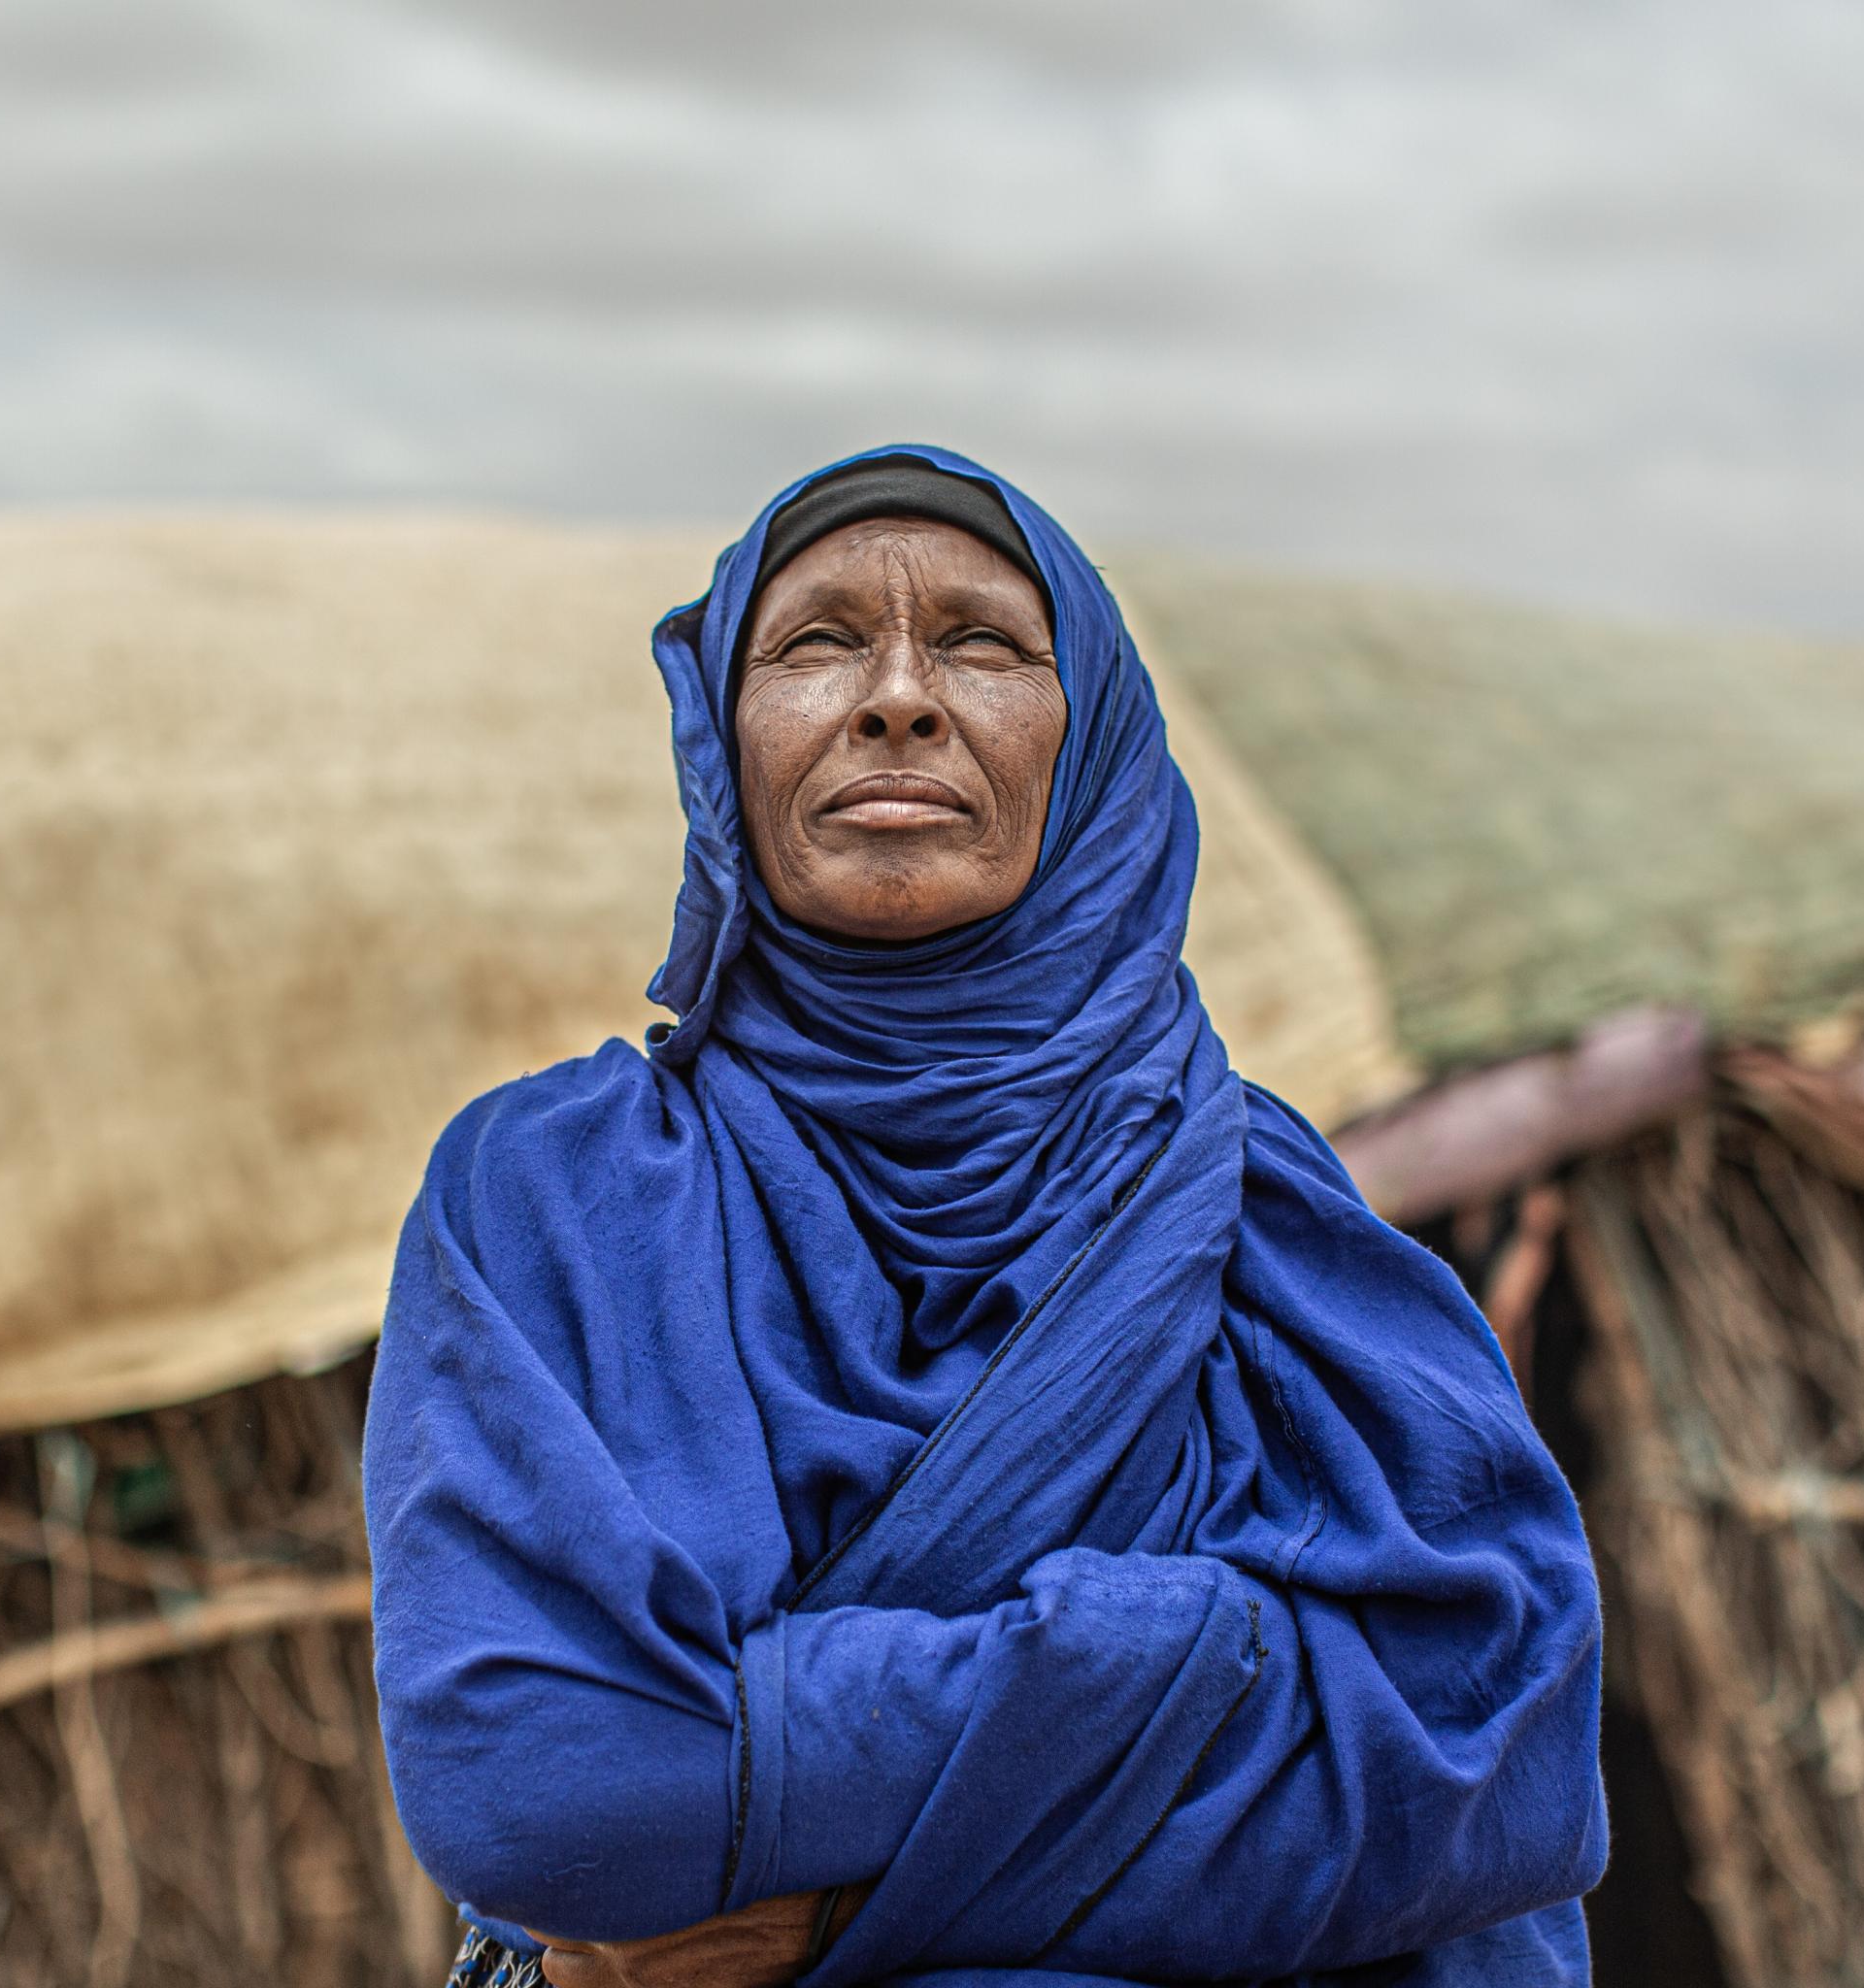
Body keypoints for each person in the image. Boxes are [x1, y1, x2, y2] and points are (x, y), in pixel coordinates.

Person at [366, 447, 1608, 1988]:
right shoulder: (549, 1195)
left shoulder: (1261, 1212)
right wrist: (1191, 1656)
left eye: (982, 645)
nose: (897, 697)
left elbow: (1479, 1764)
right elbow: (555, 1796)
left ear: (1091, 749)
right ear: (721, 742)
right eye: (815, 643)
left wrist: (821, 1903)